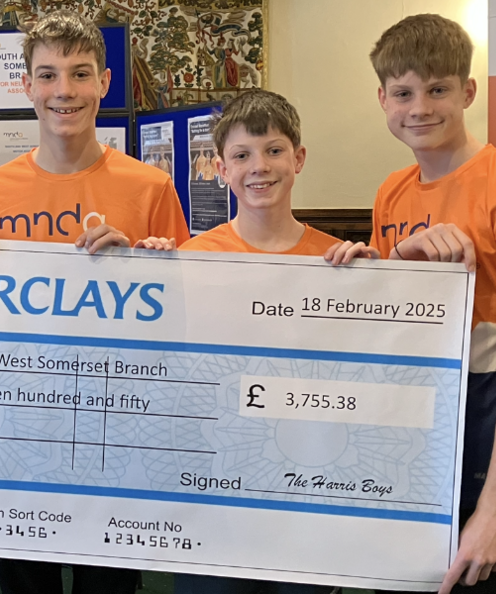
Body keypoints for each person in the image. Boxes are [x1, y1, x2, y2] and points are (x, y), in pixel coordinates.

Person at [0, 10, 190, 594]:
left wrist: (147, 266)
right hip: (18, 434)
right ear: (26, 85)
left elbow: (186, 318)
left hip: (116, 435)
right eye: (47, 75)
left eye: (79, 74)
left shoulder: (150, 187)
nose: (63, 91)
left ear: (105, 82)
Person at [326, 14, 496, 594]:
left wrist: (494, 509)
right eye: (403, 93)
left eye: (438, 90)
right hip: (413, 416)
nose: (420, 108)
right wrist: (382, 268)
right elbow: (390, 326)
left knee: (481, 577)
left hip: (488, 408)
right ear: (382, 98)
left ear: (468, 91)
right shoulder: (392, 190)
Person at [175, 90, 339, 594]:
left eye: (273, 150)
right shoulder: (190, 259)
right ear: (221, 169)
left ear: (299, 158)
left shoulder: (340, 263)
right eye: (242, 155)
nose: (259, 167)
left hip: (308, 486)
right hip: (215, 484)